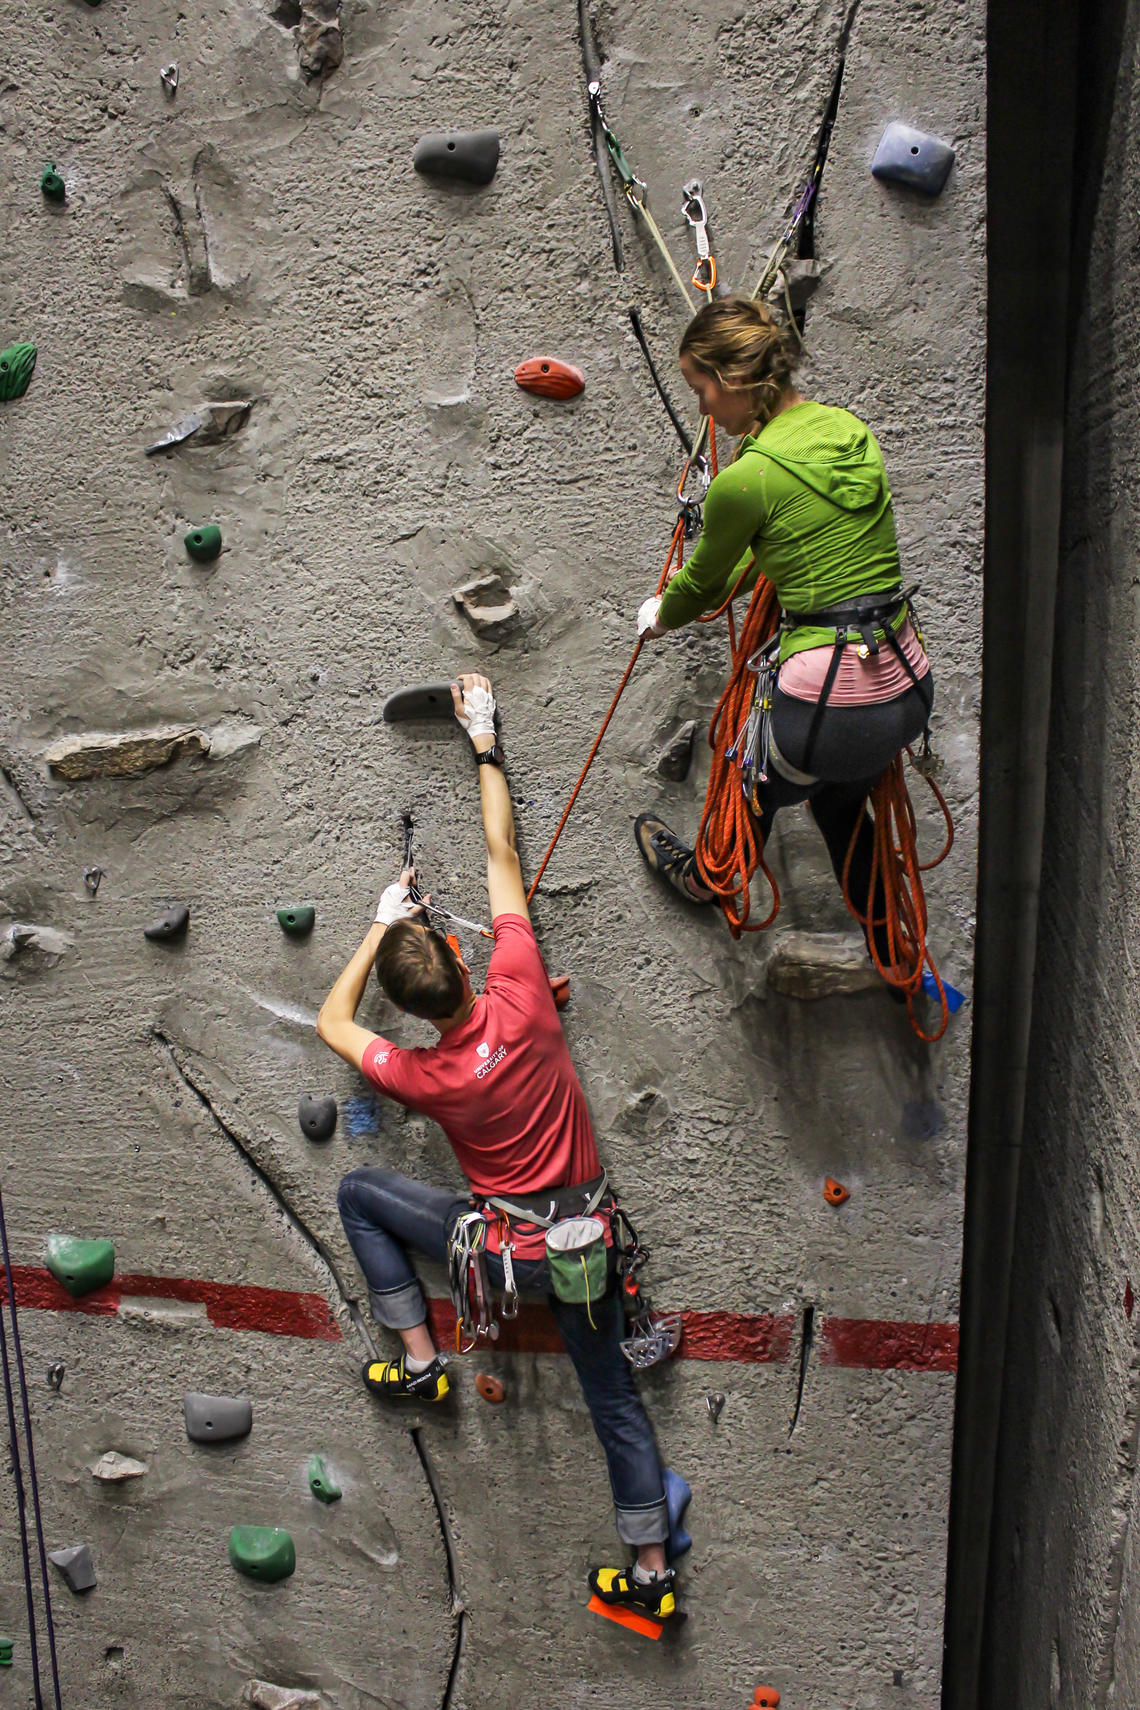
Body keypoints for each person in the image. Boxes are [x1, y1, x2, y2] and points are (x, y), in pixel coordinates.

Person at [316, 673, 676, 1622]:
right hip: (585, 1264)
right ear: (467, 960)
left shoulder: (423, 1077)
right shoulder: (519, 985)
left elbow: (332, 1023)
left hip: (499, 1264)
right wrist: (483, 741)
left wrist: (377, 923)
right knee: (614, 1406)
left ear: (409, 1012)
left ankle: (422, 1357)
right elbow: (501, 851)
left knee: (360, 1195)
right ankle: (650, 1575)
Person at [633, 295, 933, 960]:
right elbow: (793, 541)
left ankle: (714, 875)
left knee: (745, 772)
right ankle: (896, 954)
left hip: (828, 701)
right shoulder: (851, 432)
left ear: (736, 380)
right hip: (904, 685)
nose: (704, 408)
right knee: (839, 804)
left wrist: (661, 614)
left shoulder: (747, 481)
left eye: (702, 388)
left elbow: (705, 583)